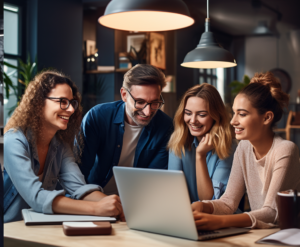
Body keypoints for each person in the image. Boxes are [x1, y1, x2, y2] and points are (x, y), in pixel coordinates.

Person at [4, 71, 124, 223]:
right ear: (39, 102)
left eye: (72, 102)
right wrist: (96, 209)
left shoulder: (60, 145)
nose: (71, 109)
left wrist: (118, 206)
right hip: (11, 228)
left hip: (42, 225)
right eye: (62, 101)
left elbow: (79, 188)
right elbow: (37, 197)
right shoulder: (14, 140)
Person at [192, 72, 300, 229]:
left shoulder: (285, 150)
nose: (233, 121)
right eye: (234, 112)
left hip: (287, 236)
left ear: (266, 118)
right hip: (260, 235)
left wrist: (219, 222)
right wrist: (203, 206)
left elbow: (270, 212)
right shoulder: (243, 147)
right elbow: (229, 202)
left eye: (242, 114)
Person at [79, 64, 173, 195]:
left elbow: (154, 181)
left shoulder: (166, 126)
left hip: (138, 201)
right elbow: (78, 172)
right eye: (140, 102)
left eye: (154, 103)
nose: (147, 112)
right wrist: (97, 202)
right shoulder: (98, 117)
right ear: (124, 95)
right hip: (93, 199)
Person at [168, 84, 236, 202]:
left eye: (202, 115)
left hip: (216, 217)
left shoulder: (229, 146)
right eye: (188, 113)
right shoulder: (178, 141)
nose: (193, 120)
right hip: (184, 214)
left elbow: (209, 200)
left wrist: (200, 156)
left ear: (216, 116)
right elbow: (172, 193)